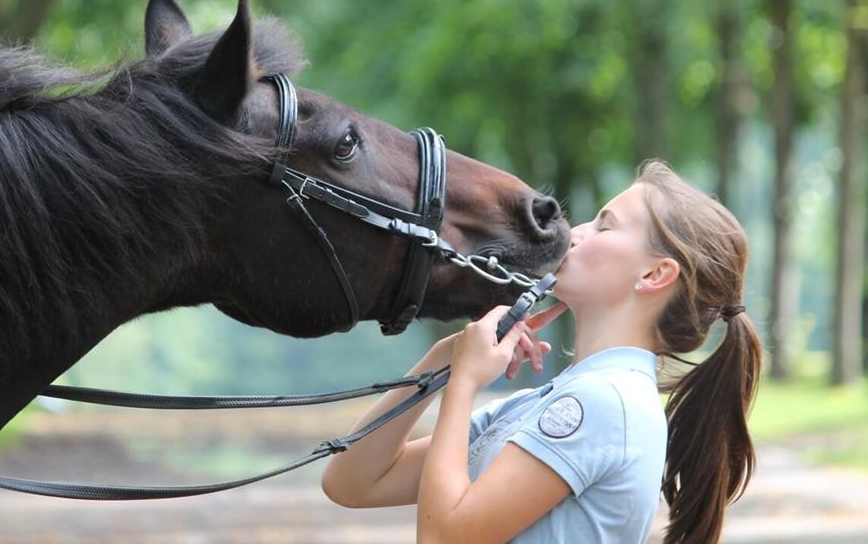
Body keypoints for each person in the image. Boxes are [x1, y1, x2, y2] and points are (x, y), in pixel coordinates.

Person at [321, 160, 762, 544]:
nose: (576, 232)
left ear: (653, 274)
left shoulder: (605, 403)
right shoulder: (550, 402)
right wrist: (448, 356)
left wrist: (465, 384)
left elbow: (442, 537)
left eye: (605, 226)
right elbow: (352, 480)